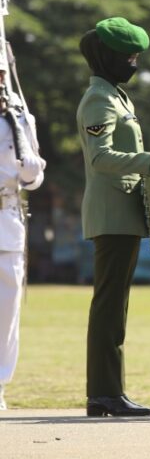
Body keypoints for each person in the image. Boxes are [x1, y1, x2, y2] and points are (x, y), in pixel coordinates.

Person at [76, 17, 150, 417]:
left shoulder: (117, 96)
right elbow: (100, 157)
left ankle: (108, 392)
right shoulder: (100, 99)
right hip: (112, 213)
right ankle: (105, 394)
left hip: (125, 212)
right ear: (107, 56)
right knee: (109, 306)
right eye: (128, 56)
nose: (134, 63)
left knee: (114, 305)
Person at [0, 45, 46, 411]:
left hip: (7, 220)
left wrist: (31, 171)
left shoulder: (20, 118)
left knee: (6, 309)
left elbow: (35, 177)